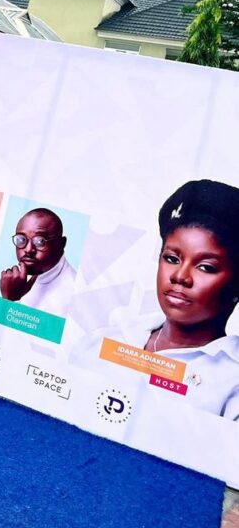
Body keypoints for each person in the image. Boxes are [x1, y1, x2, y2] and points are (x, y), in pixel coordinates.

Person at [75, 179, 239, 419]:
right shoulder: (104, 341)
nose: (180, 277)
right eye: (172, 258)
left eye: (205, 267)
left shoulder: (233, 382)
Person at [0, 207, 75, 314]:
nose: (28, 249)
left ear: (61, 244)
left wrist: (9, 301)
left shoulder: (71, 294)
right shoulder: (32, 275)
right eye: (21, 239)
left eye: (40, 241)